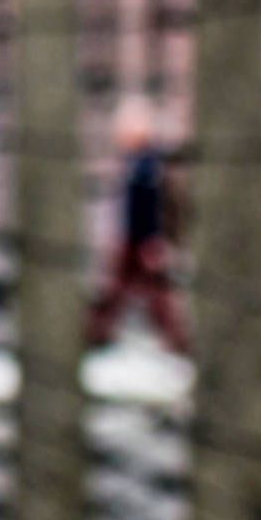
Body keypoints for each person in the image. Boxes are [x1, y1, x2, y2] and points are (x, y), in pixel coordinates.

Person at [94, 97, 188, 352]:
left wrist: (154, 241)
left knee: (154, 296)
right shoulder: (135, 161)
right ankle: (97, 335)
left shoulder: (148, 165)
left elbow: (152, 206)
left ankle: (178, 342)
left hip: (143, 240)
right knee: (120, 291)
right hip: (131, 238)